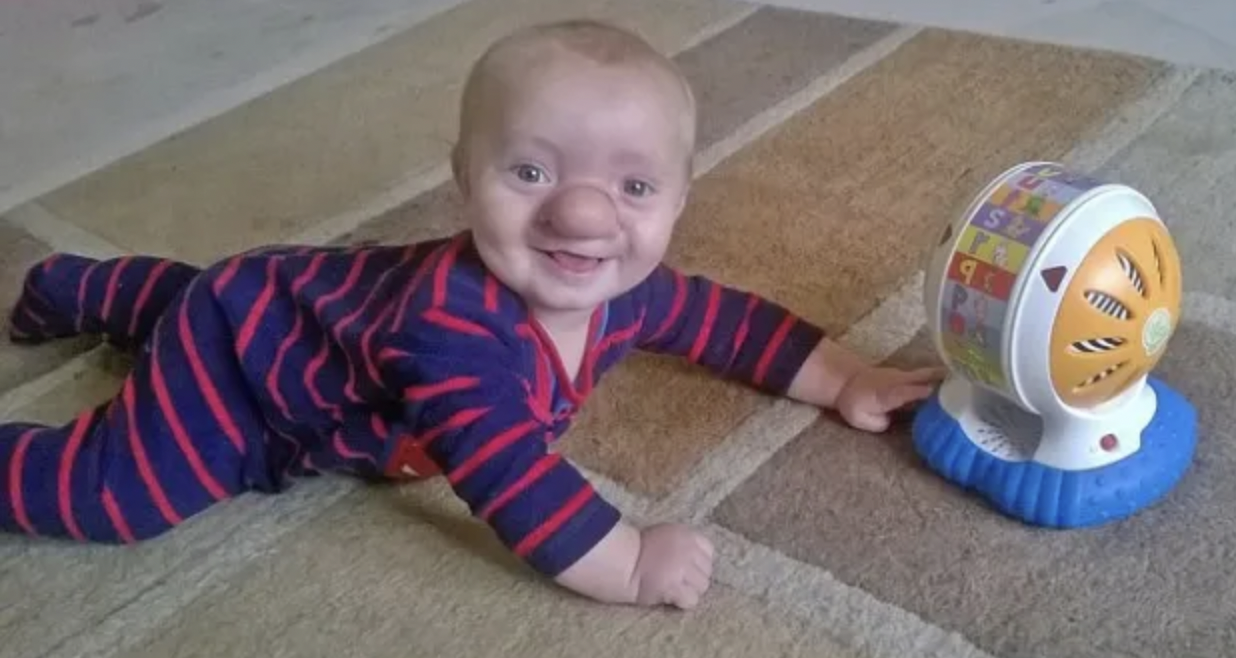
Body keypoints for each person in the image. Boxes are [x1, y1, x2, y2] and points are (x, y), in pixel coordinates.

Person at [0, 19, 942, 610]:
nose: (583, 215)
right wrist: (627, 562)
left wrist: (844, 378)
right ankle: (103, 310)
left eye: (634, 185)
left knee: (226, 294)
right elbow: (510, 476)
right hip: (247, 379)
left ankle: (76, 286)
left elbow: (728, 324)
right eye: (530, 171)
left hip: (285, 296)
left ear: (680, 199)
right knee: (117, 496)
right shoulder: (453, 338)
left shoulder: (626, 289)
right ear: (463, 177)